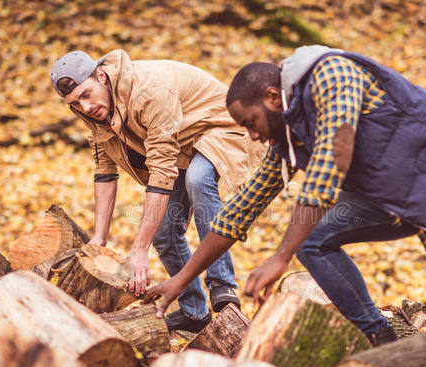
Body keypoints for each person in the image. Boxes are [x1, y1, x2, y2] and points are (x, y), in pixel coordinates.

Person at [143, 45, 426, 367]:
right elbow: (242, 208)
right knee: (313, 238)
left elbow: (331, 161)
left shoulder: (330, 73)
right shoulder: (290, 129)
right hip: (408, 199)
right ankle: (381, 339)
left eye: (250, 122)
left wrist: (280, 256)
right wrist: (182, 280)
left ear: (272, 96)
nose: (249, 135)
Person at [50, 49, 266, 333]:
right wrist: (99, 239)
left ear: (101, 76)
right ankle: (194, 312)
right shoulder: (93, 110)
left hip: (219, 127)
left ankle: (222, 286)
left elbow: (162, 170)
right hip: (180, 147)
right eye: (75, 102)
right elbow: (104, 170)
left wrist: (139, 249)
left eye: (87, 94)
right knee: (164, 233)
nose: (85, 107)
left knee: (199, 180)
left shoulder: (147, 92)